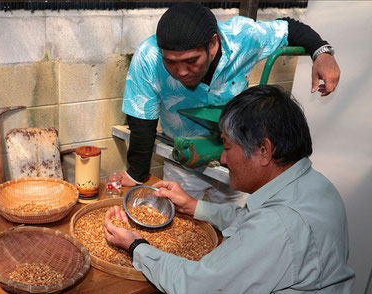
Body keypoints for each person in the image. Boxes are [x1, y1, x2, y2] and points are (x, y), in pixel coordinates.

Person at [104, 85, 354, 294]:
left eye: (226, 146)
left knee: (174, 291)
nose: (223, 158)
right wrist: (195, 206)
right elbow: (249, 224)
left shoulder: (279, 225)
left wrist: (136, 245)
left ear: (264, 151)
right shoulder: (313, 186)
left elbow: (193, 287)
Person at [120, 2, 341, 204]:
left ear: (213, 43)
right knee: (179, 230)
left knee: (233, 230)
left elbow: (289, 28)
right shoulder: (148, 56)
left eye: (191, 60)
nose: (182, 71)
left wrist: (322, 53)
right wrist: (137, 174)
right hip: (182, 162)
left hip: (236, 161)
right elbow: (142, 119)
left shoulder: (242, 37)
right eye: (170, 62)